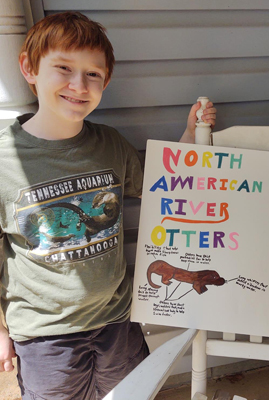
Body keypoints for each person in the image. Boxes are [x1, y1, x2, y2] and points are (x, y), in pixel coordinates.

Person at [0, 12, 216, 399]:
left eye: (93, 74)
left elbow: (160, 187)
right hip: (46, 337)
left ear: (106, 81)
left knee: (132, 393)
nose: (78, 85)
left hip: (118, 321)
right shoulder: (4, 160)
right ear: (29, 68)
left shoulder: (111, 144)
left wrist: (188, 134)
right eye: (63, 68)